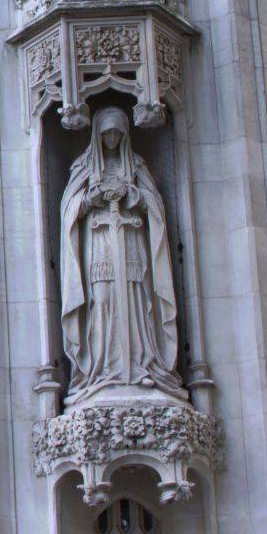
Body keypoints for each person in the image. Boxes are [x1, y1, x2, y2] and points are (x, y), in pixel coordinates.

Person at [57, 107, 184, 403]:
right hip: (99, 246)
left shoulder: (136, 166)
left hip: (131, 243)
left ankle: (141, 364)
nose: (112, 138)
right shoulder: (83, 167)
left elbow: (155, 207)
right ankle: (101, 371)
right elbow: (68, 210)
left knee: (137, 300)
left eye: (117, 133)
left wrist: (135, 196)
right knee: (101, 301)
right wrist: (90, 199)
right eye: (107, 133)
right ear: (97, 135)